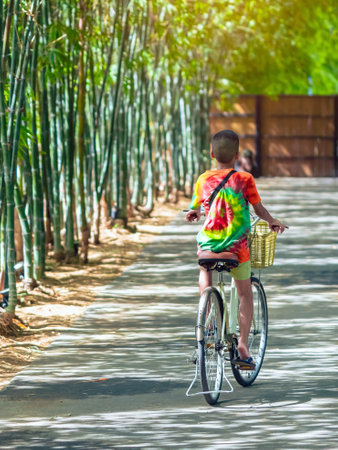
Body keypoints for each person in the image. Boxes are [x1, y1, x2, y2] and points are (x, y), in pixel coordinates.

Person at [185, 129, 287, 369]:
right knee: (244, 294)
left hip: (209, 244)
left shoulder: (202, 179)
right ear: (237, 154)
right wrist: (273, 220)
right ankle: (242, 345)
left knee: (204, 268)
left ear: (211, 153)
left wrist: (195, 213)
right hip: (236, 247)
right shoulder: (245, 179)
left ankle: (206, 308)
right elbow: (259, 210)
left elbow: (196, 207)